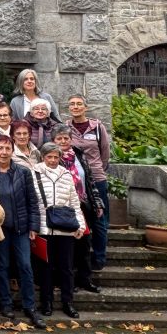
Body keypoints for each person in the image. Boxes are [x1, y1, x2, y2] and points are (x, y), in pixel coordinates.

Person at [0, 136, 46, 328]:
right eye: (0, 148)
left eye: (7, 148)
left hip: (20, 227)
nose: (4, 152)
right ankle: (6, 303)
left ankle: (30, 306)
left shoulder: (23, 172)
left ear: (12, 151)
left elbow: (32, 201)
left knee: (25, 266)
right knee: (2, 265)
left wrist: (33, 226)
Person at [31, 143, 86, 319]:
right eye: (49, 157)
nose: (53, 160)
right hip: (44, 228)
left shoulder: (66, 174)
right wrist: (33, 227)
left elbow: (74, 202)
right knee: (45, 268)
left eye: (56, 157)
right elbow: (32, 202)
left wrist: (81, 225)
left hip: (65, 228)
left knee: (66, 268)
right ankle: (46, 302)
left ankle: (67, 302)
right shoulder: (34, 173)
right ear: (43, 157)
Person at [52, 125, 104, 294]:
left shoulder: (79, 155)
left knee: (84, 245)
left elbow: (89, 180)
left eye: (66, 138)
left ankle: (85, 279)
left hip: (83, 205)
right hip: (63, 207)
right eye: (59, 138)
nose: (63, 141)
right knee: (67, 247)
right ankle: (67, 281)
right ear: (53, 141)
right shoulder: (51, 158)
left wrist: (97, 202)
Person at [66, 94, 112, 271]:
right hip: (75, 179)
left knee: (99, 219)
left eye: (79, 104)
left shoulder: (97, 127)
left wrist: (95, 170)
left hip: (96, 179)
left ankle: (99, 258)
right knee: (78, 218)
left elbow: (105, 154)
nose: (75, 107)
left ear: (86, 107)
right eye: (72, 104)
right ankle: (79, 259)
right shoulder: (66, 128)